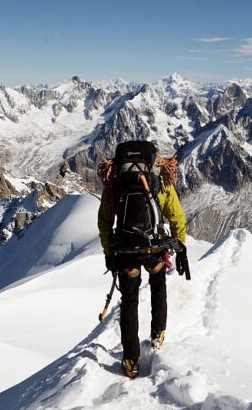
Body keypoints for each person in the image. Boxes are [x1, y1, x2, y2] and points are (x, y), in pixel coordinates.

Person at [97, 141, 187, 379]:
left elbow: (105, 221)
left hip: (125, 249)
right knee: (158, 285)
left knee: (129, 301)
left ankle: (130, 360)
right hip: (152, 248)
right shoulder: (158, 177)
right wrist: (180, 244)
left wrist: (108, 253)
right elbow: (176, 215)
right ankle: (158, 335)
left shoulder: (116, 180)